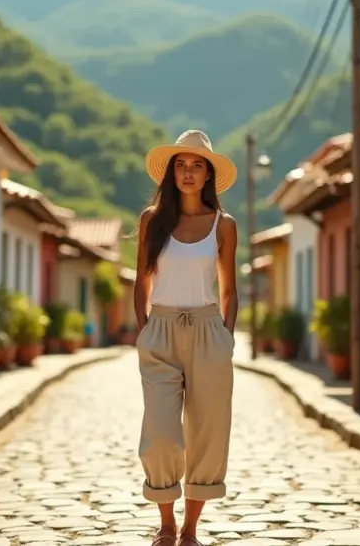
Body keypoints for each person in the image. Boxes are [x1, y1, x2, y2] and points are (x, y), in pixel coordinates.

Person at [133, 129, 239, 546]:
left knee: (207, 433)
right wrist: (144, 330)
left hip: (209, 332)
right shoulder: (151, 220)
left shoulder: (223, 225)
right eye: (182, 164)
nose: (189, 172)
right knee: (160, 433)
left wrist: (226, 337)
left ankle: (190, 528)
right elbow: (141, 281)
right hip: (159, 331)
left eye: (197, 165)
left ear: (209, 175)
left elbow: (229, 289)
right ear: (171, 172)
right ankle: (166, 521)